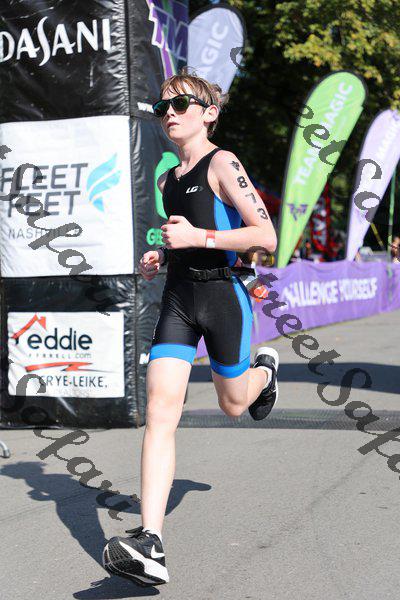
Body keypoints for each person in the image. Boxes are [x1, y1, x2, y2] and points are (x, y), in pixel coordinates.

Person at [102, 67, 278, 587]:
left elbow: (265, 235)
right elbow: (182, 236)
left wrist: (199, 238)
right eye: (163, 106)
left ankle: (264, 374)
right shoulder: (166, 180)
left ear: (209, 113)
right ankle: (150, 541)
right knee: (161, 413)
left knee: (234, 404)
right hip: (179, 300)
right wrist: (161, 254)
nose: (170, 114)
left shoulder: (223, 162)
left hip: (224, 296)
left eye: (181, 105)